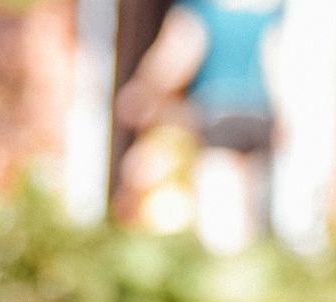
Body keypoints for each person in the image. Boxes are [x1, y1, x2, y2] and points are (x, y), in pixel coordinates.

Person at [114, 0, 285, 253]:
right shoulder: (270, 10)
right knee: (251, 212)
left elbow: (177, 55)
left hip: (218, 110)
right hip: (260, 114)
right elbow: (277, 61)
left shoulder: (203, 8)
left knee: (220, 213)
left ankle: (223, 275)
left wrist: (144, 90)